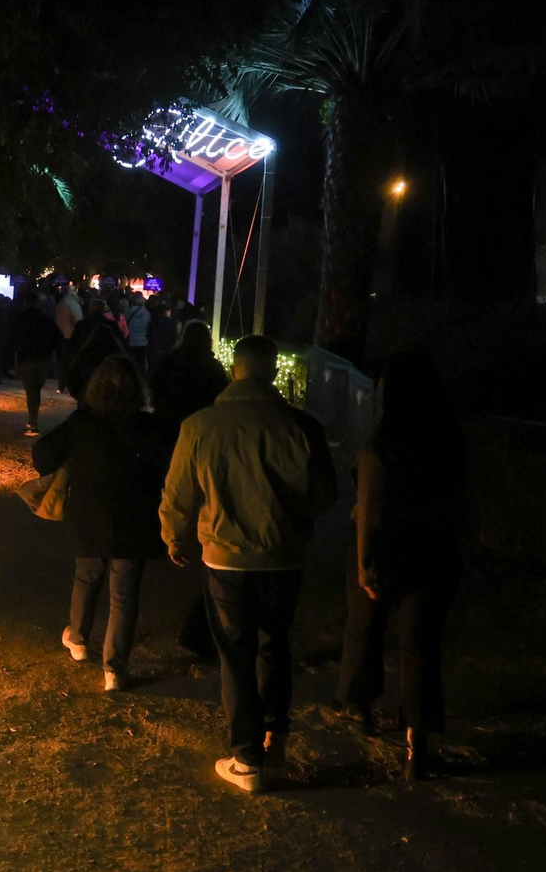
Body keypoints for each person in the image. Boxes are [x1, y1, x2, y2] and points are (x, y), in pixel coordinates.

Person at [160, 335, 337, 794]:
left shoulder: (200, 426)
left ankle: (246, 757)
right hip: (283, 557)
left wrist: (174, 537)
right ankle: (275, 739)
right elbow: (324, 496)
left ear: (235, 370)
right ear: (273, 369)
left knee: (235, 656)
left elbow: (178, 494)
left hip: (224, 558)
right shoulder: (302, 426)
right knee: (274, 645)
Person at [327, 351, 465, 781]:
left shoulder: (383, 444)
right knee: (419, 647)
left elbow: (370, 512)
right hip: (435, 553)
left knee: (364, 629)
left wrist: (366, 564)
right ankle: (416, 742)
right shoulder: (448, 438)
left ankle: (358, 705)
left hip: (386, 553)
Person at [33, 355, 173, 691]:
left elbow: (41, 455)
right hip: (135, 517)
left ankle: (78, 639)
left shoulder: (82, 422)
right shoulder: (149, 427)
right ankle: (114, 669)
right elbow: (168, 467)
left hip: (89, 514)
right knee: (124, 594)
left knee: (87, 573)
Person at [149, 320, 232, 662]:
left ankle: (172, 530)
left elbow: (154, 392)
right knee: (200, 486)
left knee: (175, 482)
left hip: (171, 431)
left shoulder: (169, 362)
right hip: (204, 435)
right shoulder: (211, 368)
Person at [8, 292, 62, 435]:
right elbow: (58, 337)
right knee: (35, 390)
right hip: (42, 359)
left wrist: (10, 362)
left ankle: (33, 423)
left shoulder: (19, 320)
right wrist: (48, 350)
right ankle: (33, 421)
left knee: (31, 391)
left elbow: (11, 341)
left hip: (26, 359)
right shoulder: (46, 320)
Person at [54, 285, 84, 393]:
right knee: (70, 362)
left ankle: (61, 385)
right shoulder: (72, 304)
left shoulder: (60, 303)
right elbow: (78, 320)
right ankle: (68, 385)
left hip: (60, 335)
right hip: (70, 336)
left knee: (62, 361)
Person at [125, 292, 152, 377]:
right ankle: (142, 377)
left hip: (131, 341)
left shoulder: (127, 312)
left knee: (132, 361)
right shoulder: (147, 314)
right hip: (143, 341)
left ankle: (132, 376)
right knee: (142, 361)